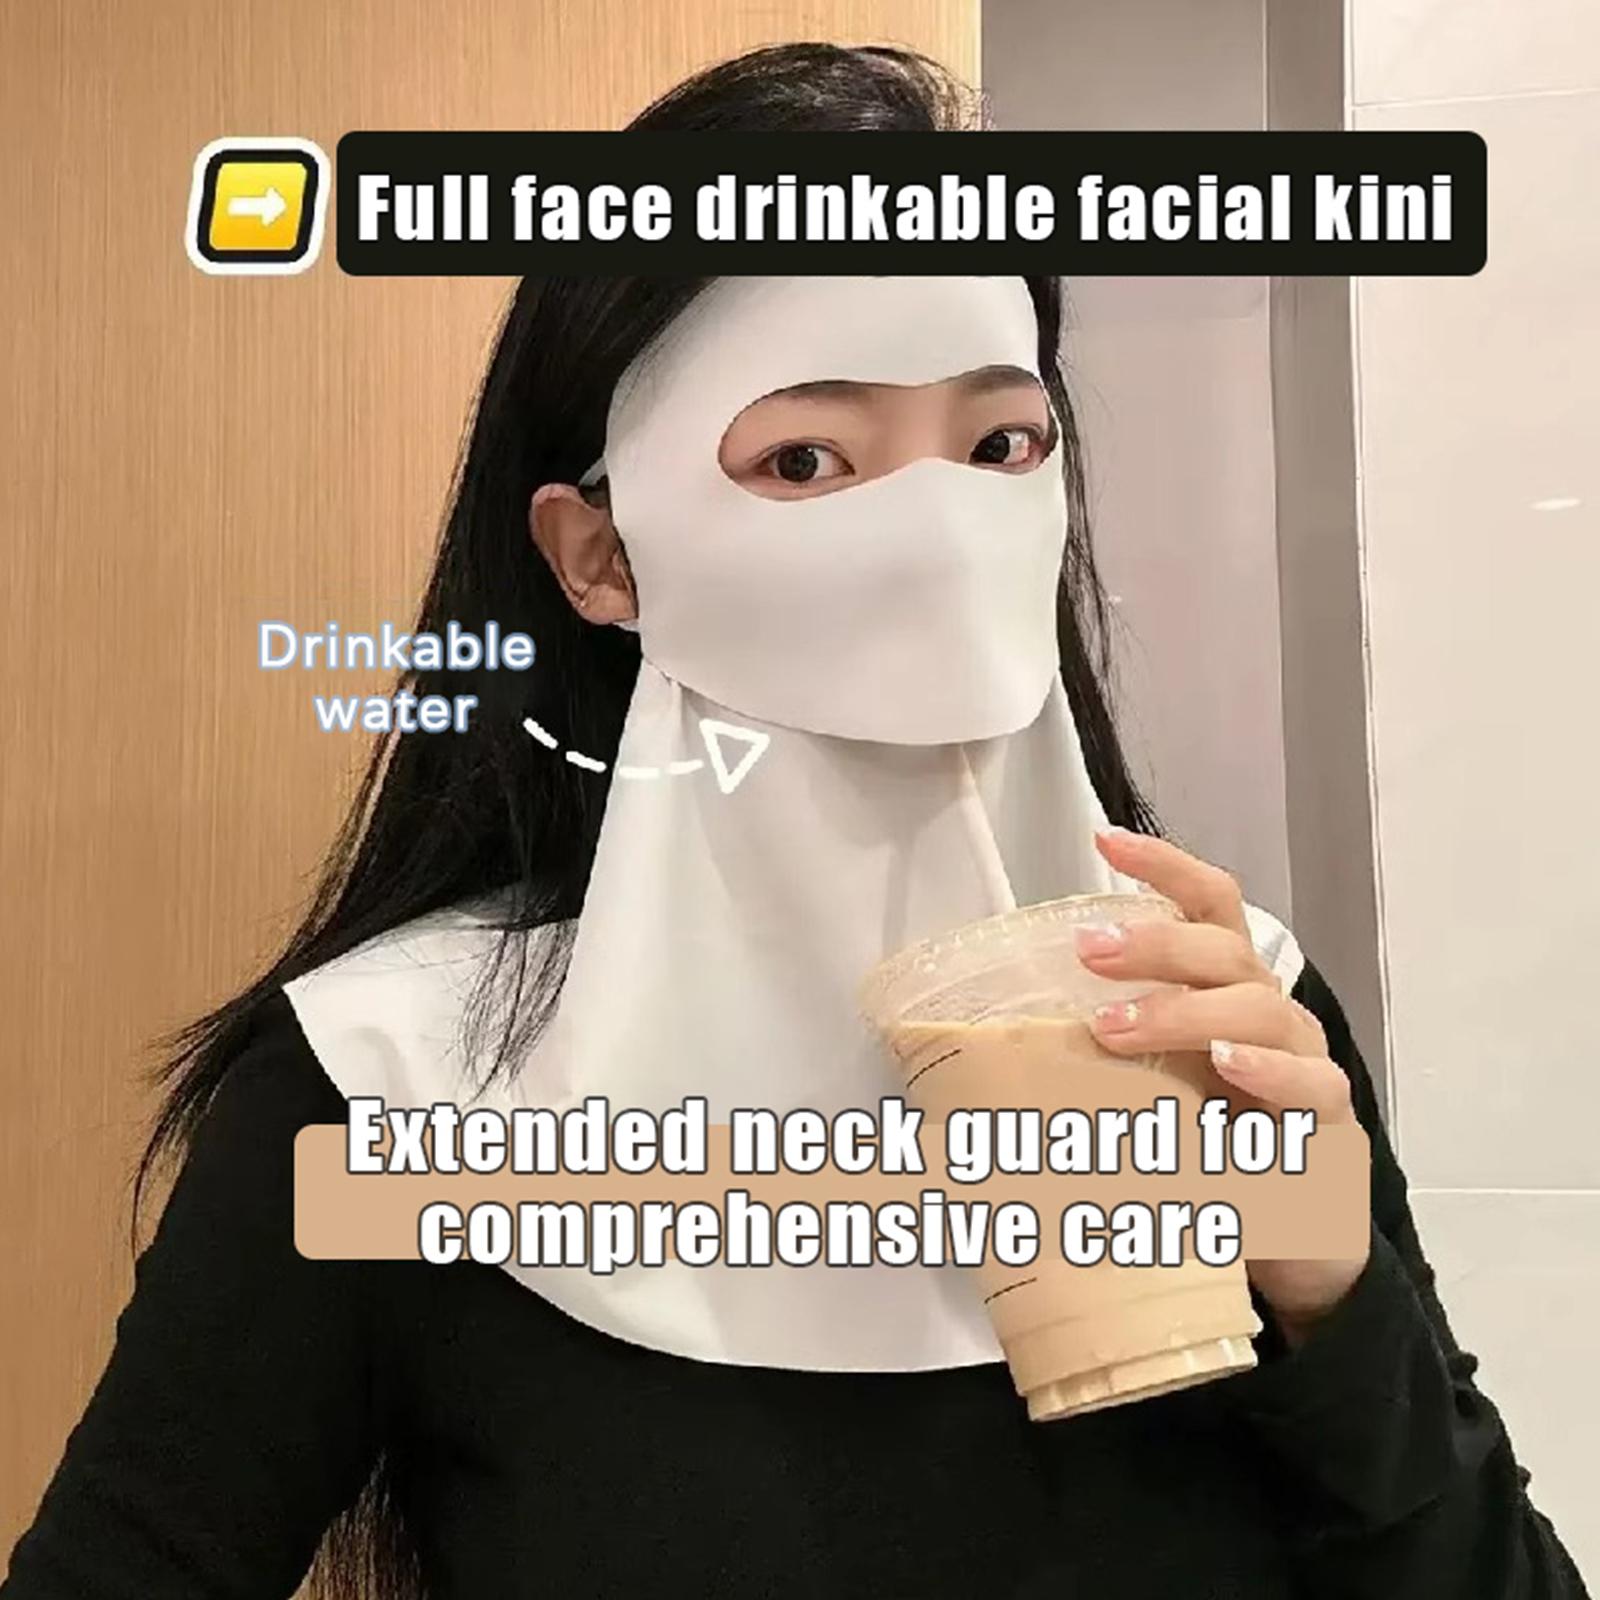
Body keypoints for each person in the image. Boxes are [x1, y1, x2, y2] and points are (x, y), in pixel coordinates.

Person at [1, 43, 1587, 1600]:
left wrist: (1337, 1303)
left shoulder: (1223, 1015)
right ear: (599, 557)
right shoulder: (390, 1087)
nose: (936, 536)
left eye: (1000, 444)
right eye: (808, 457)